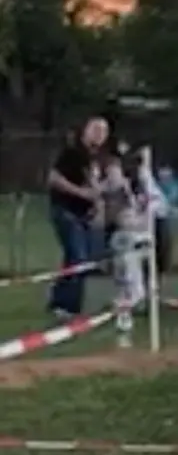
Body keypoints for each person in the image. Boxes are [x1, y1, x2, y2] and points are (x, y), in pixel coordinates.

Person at [98, 151, 163, 347]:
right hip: (125, 242)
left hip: (137, 242)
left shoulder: (133, 191)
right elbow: (123, 221)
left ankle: (124, 315)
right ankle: (122, 312)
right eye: (110, 172)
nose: (115, 176)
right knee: (131, 288)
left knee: (130, 288)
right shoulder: (112, 196)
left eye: (117, 171)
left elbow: (156, 206)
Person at [45, 117, 109, 318]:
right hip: (65, 210)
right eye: (95, 129)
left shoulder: (97, 157)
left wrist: (97, 205)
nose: (99, 134)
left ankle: (59, 299)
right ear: (86, 131)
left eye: (103, 131)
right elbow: (53, 179)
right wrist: (81, 193)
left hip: (83, 215)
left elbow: (96, 186)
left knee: (76, 257)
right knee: (78, 257)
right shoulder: (73, 152)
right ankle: (69, 307)